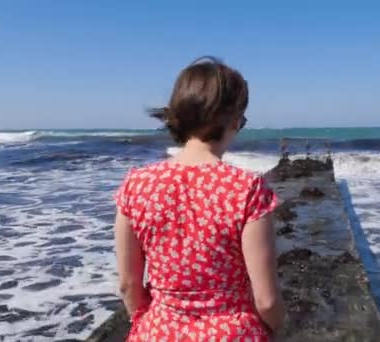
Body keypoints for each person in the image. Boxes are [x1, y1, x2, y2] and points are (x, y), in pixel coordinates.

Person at [113, 56, 285, 341]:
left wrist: (151, 326)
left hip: (158, 332)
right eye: (242, 118)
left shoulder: (136, 185)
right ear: (231, 119)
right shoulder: (247, 190)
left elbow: (129, 285)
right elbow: (266, 301)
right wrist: (273, 327)